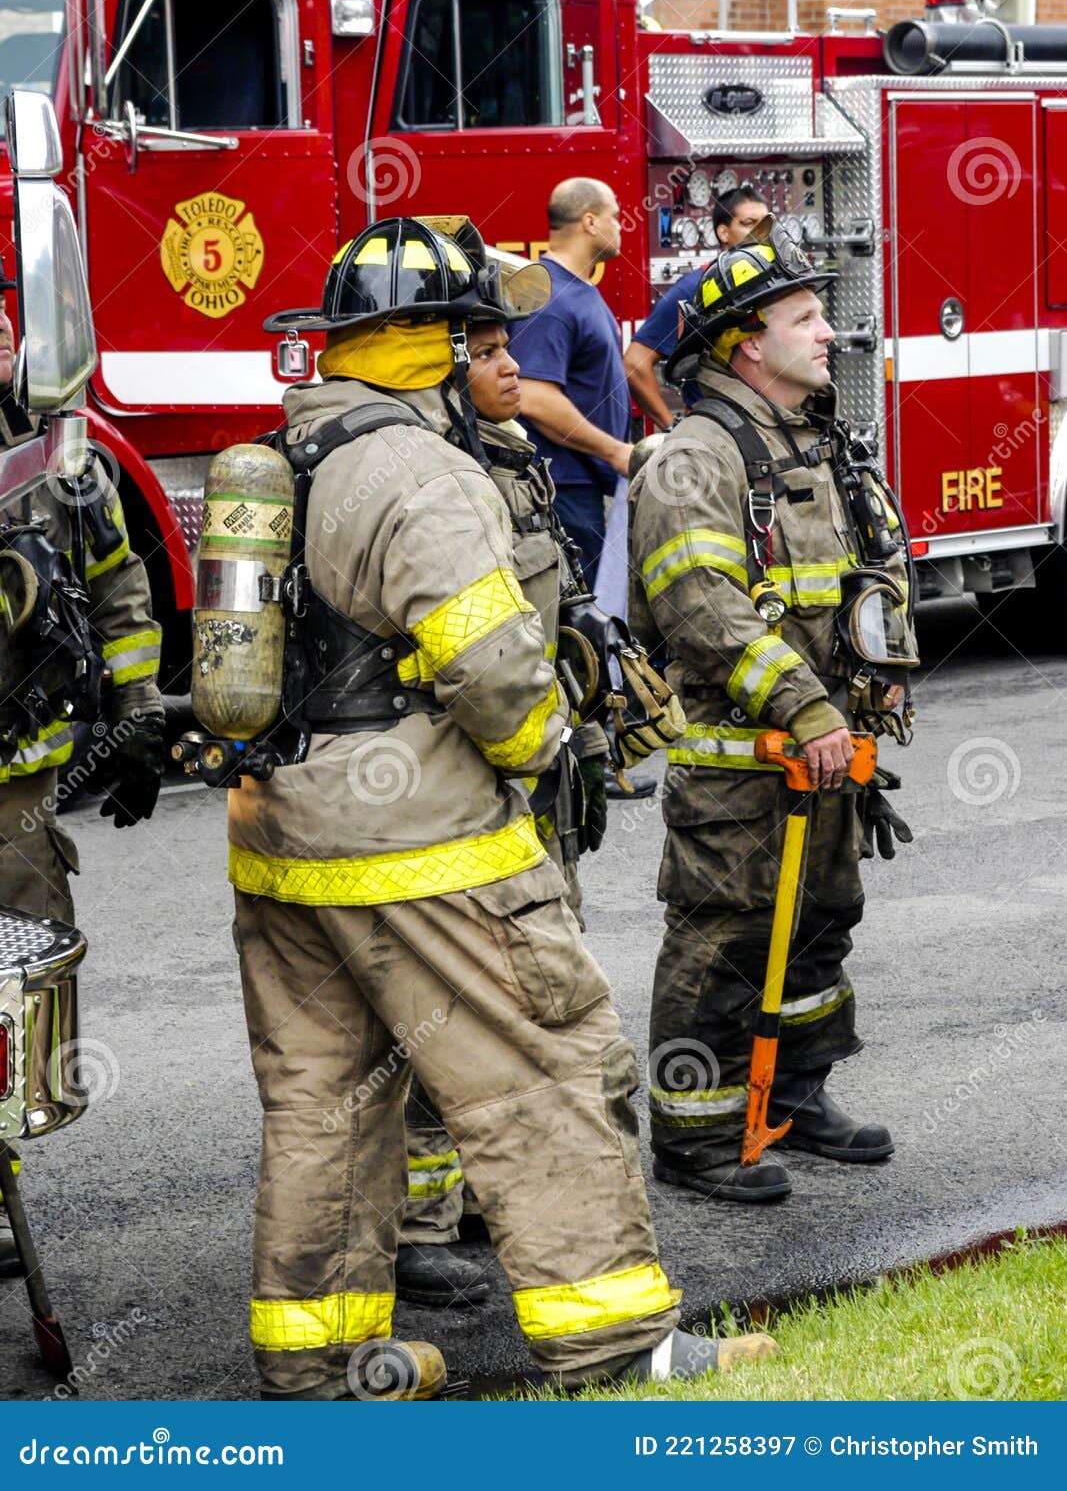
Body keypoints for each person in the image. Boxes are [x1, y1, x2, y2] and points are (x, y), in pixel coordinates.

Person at [229, 217, 773, 1398]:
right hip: (419, 846)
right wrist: (543, 752)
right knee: (542, 1067)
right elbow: (489, 671)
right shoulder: (421, 470)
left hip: (278, 845)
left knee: (322, 1100)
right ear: (425, 345)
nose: (497, 343)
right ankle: (618, 1348)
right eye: (474, 326)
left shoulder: (286, 452)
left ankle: (322, 1366)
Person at [629, 226, 914, 1207]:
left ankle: (793, 1097)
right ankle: (694, 1138)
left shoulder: (818, 439)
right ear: (747, 342)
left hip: (827, 748)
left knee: (818, 923)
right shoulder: (693, 459)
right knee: (724, 939)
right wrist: (799, 704)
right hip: (740, 759)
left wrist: (876, 680)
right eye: (805, 318)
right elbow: (703, 608)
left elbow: (860, 577)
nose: (829, 333)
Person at [396, 306, 611, 1310]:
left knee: (530, 992)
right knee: (442, 1007)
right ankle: (417, 1222)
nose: (510, 369)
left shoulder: (515, 456)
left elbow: (552, 614)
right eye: (483, 356)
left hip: (540, 769)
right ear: (441, 375)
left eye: (505, 350)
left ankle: (490, 1193)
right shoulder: (430, 477)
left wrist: (590, 733)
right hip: (466, 781)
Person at [0, 293, 166, 1266]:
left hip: (20, 789)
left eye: (5, 317)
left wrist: (139, 717)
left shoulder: (64, 461)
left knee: (12, 994)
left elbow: (118, 587)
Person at [506, 178, 635, 588]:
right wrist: (615, 451)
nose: (622, 225)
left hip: (584, 485)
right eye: (615, 215)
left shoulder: (577, 291)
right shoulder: (550, 296)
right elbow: (533, 396)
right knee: (578, 619)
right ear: (590, 221)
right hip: (563, 488)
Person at [623, 183, 770, 404]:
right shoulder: (695, 287)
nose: (760, 232)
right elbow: (634, 363)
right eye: (749, 224)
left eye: (766, 224)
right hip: (717, 428)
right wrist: (668, 426)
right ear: (723, 232)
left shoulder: (776, 281)